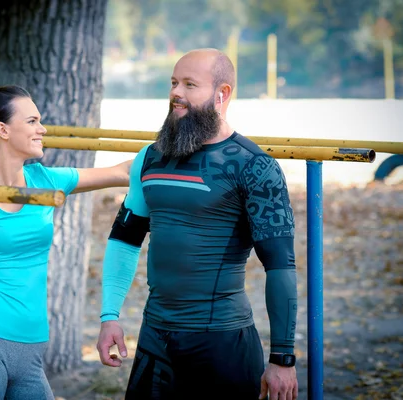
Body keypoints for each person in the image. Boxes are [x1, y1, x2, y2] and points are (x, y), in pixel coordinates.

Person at [96, 48, 299, 400]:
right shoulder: (151, 157)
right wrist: (109, 315)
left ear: (222, 95)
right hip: (155, 337)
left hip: (221, 342)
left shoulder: (254, 166)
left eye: (190, 84)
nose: (177, 93)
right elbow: (124, 239)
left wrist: (282, 357)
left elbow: (281, 266)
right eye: (174, 82)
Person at [0, 85, 132, 400]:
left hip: (32, 352)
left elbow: (122, 172)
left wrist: (176, 147)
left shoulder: (45, 181)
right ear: (3, 130)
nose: (43, 129)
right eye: (32, 121)